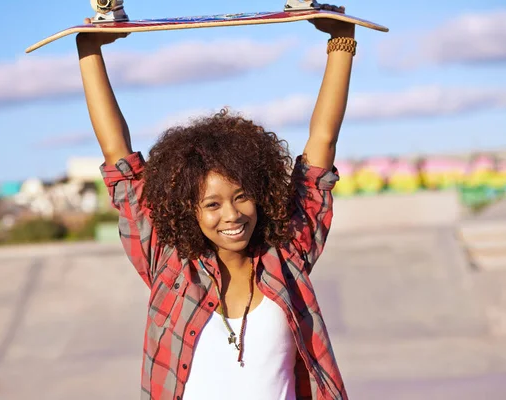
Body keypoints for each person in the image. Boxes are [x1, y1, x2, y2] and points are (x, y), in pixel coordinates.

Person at [77, 7, 356, 400]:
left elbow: (322, 146)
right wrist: (89, 49)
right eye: (212, 204)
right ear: (186, 209)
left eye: (242, 196)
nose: (232, 215)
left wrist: (340, 42)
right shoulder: (170, 265)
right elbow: (119, 158)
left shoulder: (287, 255)